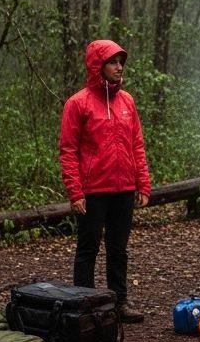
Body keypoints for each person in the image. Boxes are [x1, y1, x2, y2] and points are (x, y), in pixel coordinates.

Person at [59, 39, 152, 323]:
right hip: (93, 190)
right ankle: (83, 306)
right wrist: (75, 192)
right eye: (112, 61)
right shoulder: (78, 103)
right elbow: (68, 150)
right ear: (97, 66)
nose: (119, 67)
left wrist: (143, 183)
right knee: (87, 249)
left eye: (120, 61)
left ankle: (119, 303)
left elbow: (136, 143)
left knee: (118, 249)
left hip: (123, 188)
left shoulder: (127, 101)